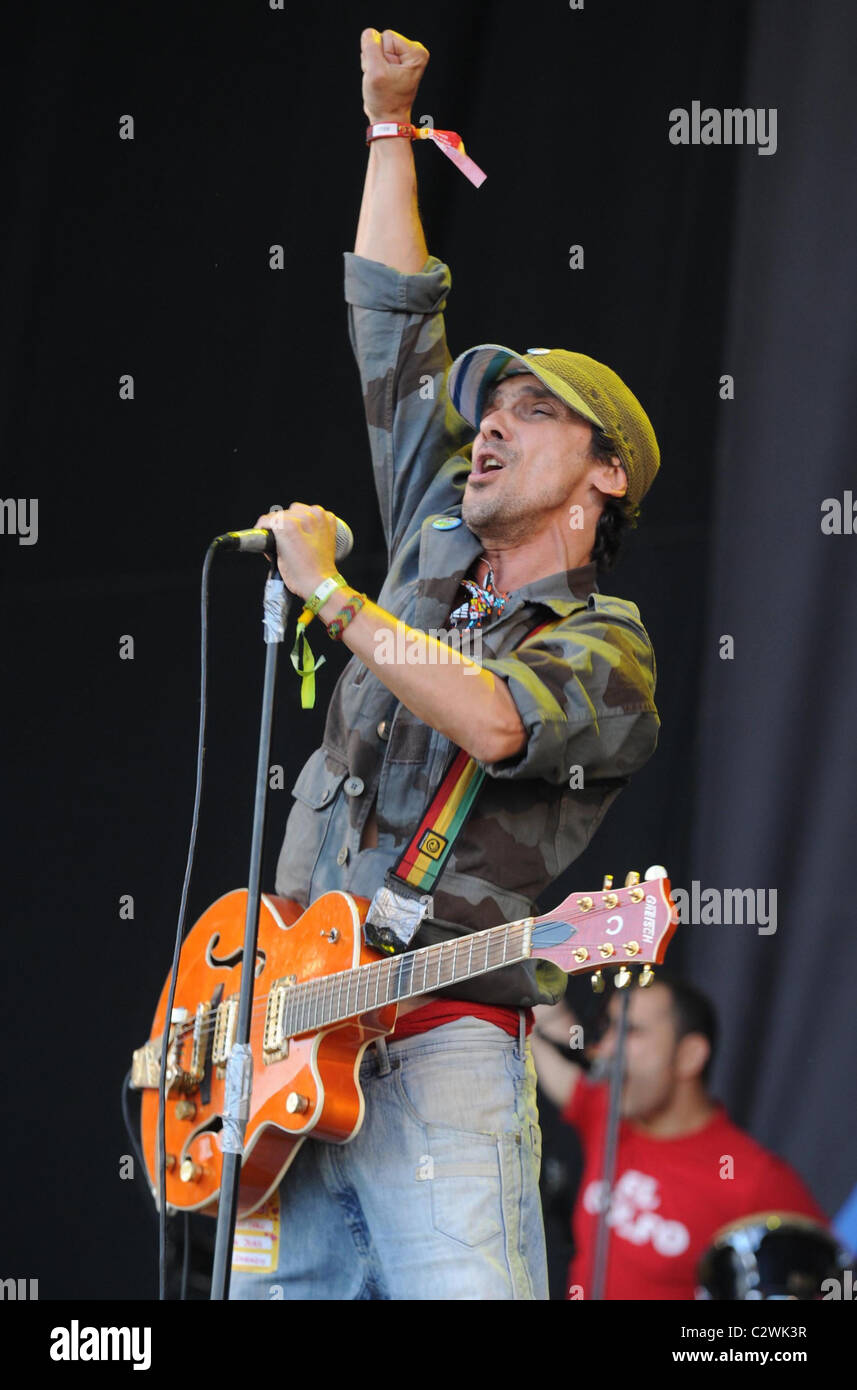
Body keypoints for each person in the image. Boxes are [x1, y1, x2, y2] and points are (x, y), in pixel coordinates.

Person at [228, 27, 662, 1301]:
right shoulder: (430, 530)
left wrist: (336, 600)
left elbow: (492, 721)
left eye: (532, 413)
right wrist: (385, 122)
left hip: (444, 1050)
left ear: (604, 474)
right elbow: (392, 319)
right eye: (489, 410)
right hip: (283, 1047)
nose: (489, 429)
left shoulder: (606, 644)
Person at [531, 974, 826, 1300]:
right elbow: (549, 1025)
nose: (606, 1048)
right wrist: (532, 962)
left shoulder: (756, 1180)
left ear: (689, 1056)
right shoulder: (609, 1115)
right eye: (610, 1027)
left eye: (630, 1031)